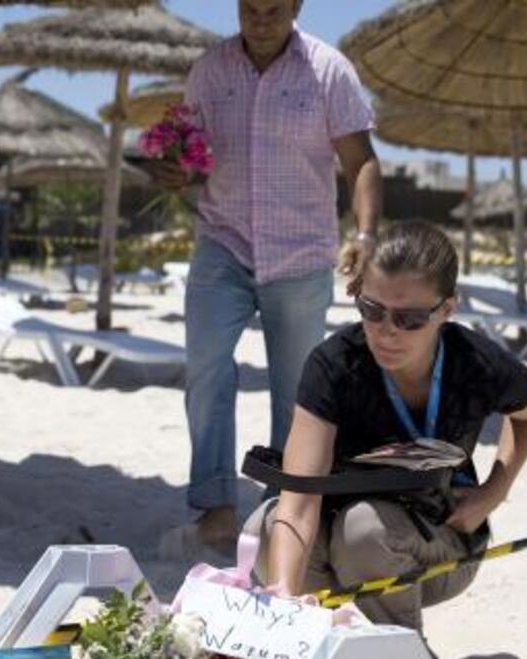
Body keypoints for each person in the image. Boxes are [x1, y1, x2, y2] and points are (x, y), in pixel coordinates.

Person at [156, 0, 383, 556]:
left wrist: (367, 235)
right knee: (205, 371)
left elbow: (362, 160)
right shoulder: (209, 70)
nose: (260, 18)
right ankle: (216, 508)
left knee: (296, 392)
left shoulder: (329, 70)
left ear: (298, 5)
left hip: (301, 255)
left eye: (273, 8)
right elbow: (191, 157)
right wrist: (173, 170)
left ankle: (280, 510)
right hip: (223, 243)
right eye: (250, 7)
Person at [243, 223, 527, 631]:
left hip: (434, 540)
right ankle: (314, 642)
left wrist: (495, 491)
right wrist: (281, 603)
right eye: (371, 310)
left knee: (363, 530)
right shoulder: (333, 365)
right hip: (332, 536)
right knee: (263, 528)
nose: (386, 331)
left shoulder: (474, 363)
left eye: (410, 319)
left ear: (446, 309)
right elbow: (298, 504)